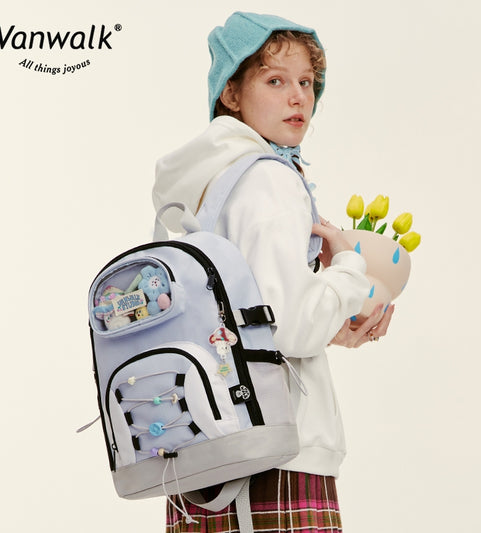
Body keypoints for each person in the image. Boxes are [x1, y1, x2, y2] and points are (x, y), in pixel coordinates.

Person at [153, 11, 394, 532]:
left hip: (201, 455)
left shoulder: (208, 185)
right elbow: (291, 325)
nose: (298, 98)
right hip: (278, 452)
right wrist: (349, 268)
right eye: (275, 81)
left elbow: (254, 321)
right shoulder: (270, 180)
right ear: (231, 94)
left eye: (307, 82)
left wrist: (333, 326)